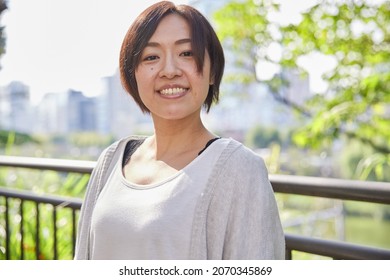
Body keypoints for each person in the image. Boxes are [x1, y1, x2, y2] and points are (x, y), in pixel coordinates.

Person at [74, 1, 285, 260]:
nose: (170, 71)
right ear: (134, 74)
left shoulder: (239, 168)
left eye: (187, 53)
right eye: (151, 57)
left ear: (211, 71)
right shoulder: (112, 160)